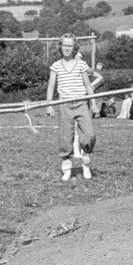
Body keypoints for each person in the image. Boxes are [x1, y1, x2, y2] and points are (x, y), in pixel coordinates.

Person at [45, 35, 95, 180]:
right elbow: (51, 86)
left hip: (81, 103)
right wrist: (49, 104)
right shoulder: (56, 65)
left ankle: (85, 162)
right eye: (64, 45)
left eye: (70, 46)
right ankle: (67, 168)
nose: (67, 48)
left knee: (89, 135)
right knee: (66, 138)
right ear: (60, 47)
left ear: (74, 48)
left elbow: (88, 85)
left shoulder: (81, 64)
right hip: (65, 104)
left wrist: (93, 103)